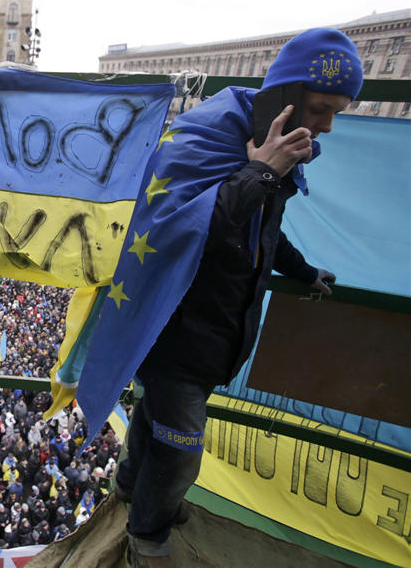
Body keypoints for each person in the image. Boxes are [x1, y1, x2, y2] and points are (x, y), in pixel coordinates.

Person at [113, 28, 362, 567]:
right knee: (180, 453)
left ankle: (133, 488)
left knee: (154, 420)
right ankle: (146, 537)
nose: (327, 126)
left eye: (337, 112)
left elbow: (262, 233)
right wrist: (263, 171)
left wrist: (301, 269)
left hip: (216, 334)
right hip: (174, 328)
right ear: (285, 97)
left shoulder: (272, 153)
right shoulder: (209, 137)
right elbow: (189, 229)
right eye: (321, 108)